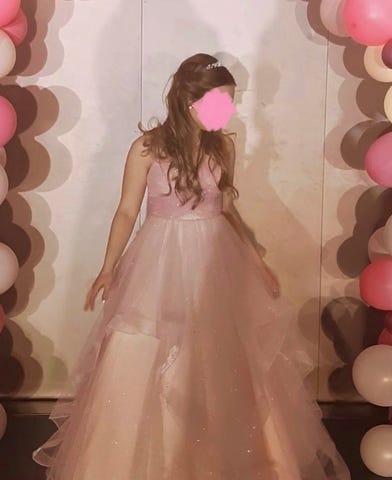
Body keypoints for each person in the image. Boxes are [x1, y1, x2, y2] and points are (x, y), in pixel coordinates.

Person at [32, 52, 351, 480]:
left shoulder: (223, 146)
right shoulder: (147, 148)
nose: (228, 110)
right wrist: (109, 266)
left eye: (231, 101)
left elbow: (227, 209)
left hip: (216, 258)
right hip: (160, 259)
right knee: (148, 347)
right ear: (187, 100)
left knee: (221, 351)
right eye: (220, 100)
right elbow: (126, 211)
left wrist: (256, 261)